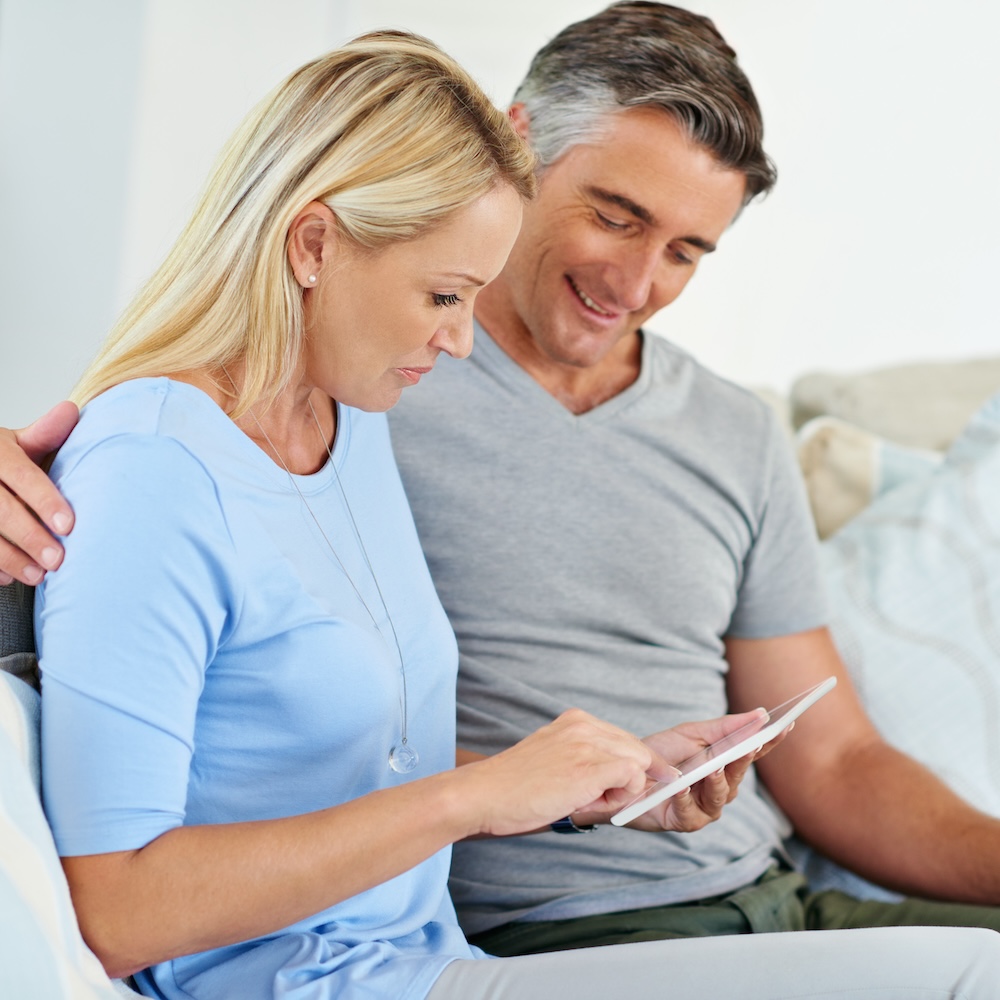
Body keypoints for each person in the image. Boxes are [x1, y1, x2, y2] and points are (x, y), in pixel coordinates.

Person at [4, 11, 1000, 1000]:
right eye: (615, 216)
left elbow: (342, 755)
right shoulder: (239, 431)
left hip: (510, 933)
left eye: (687, 250)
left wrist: (580, 782)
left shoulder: (350, 418)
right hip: (437, 958)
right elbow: (119, 905)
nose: (638, 281)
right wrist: (480, 796)